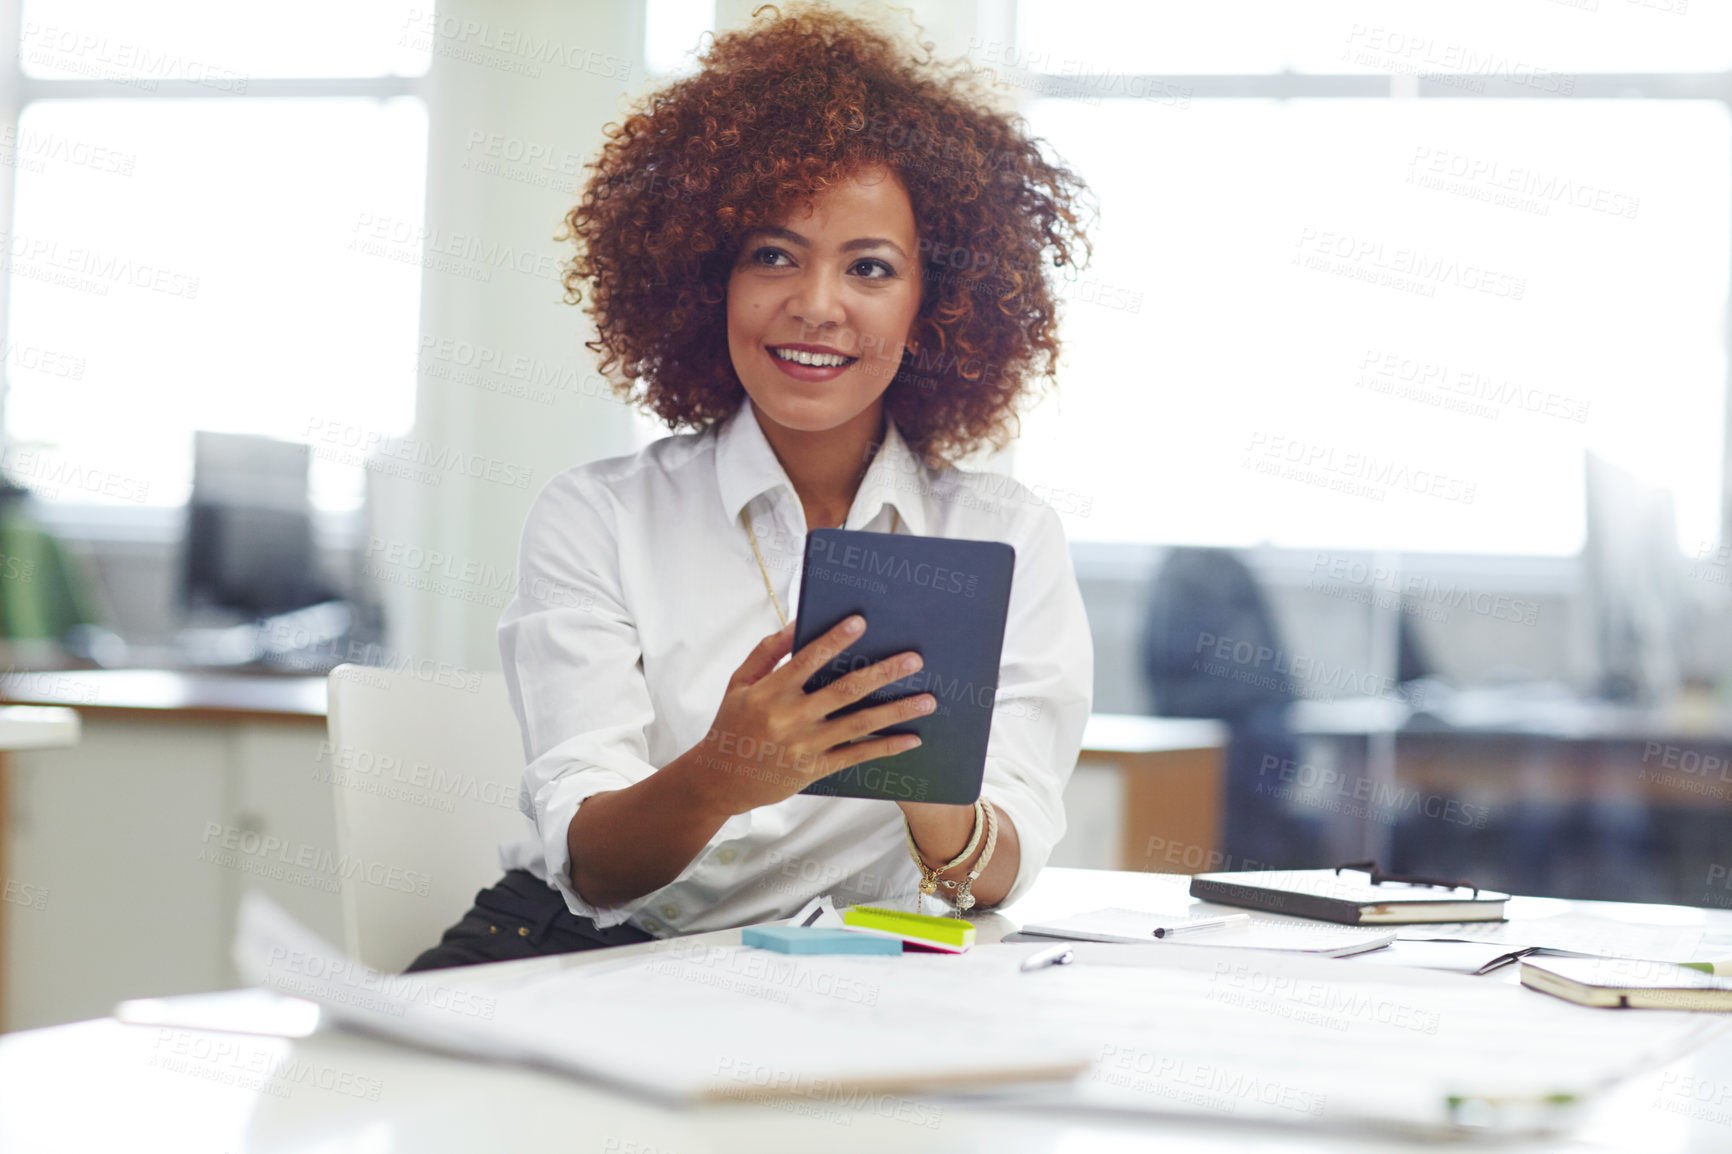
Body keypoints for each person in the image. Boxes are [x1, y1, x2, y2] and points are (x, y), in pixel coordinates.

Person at [406, 4, 1093, 971]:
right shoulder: (598, 517)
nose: (816, 305)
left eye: (870, 267)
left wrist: (932, 791)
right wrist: (725, 770)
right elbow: (593, 871)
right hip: (593, 957)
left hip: (853, 978)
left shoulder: (1003, 537)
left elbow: (999, 869)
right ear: (704, 277)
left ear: (934, 302)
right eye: (772, 254)